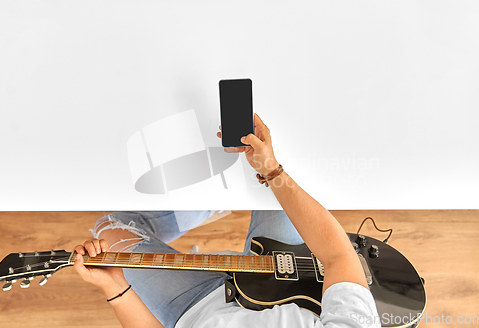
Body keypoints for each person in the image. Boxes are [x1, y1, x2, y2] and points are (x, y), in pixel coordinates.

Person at [73, 114, 380, 328]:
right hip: (286, 282)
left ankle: (207, 206)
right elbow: (339, 255)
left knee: (109, 228)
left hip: (193, 308)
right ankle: (237, 190)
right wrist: (272, 170)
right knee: (279, 175)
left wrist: (116, 288)